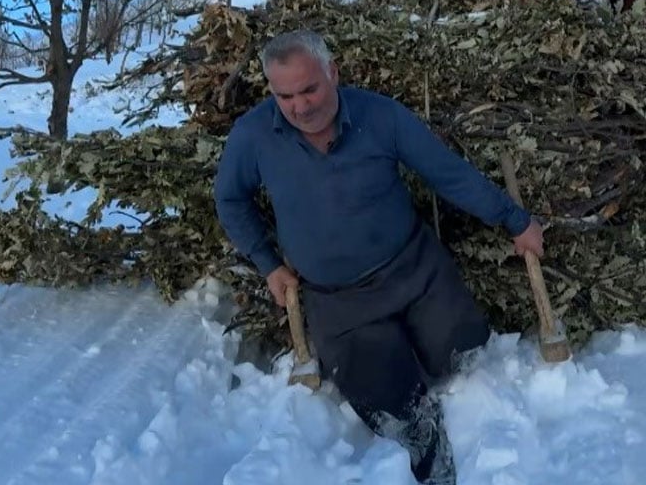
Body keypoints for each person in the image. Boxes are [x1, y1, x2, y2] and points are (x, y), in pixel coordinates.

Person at [213, 29, 545, 484]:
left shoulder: (380, 115)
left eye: (309, 89)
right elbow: (230, 200)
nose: (300, 106)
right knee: (396, 407)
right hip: (339, 302)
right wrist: (268, 263)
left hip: (416, 272)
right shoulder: (254, 136)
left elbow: (447, 174)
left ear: (333, 72)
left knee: (464, 359)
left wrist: (514, 220)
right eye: (284, 96)